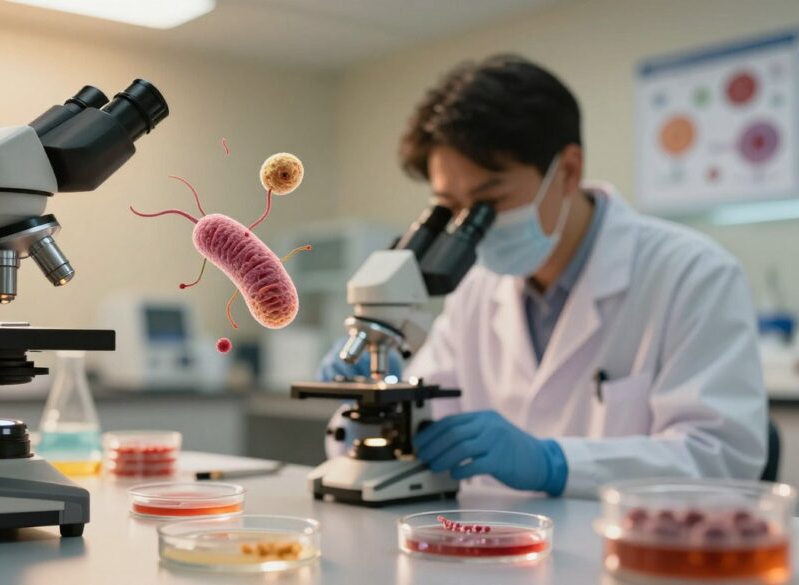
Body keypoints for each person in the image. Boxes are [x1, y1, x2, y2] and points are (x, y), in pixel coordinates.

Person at [318, 55, 767, 498]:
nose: (470, 224)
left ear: (568, 170)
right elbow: (427, 430)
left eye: (489, 201)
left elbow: (720, 457)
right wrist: (373, 409)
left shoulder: (693, 274)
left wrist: (555, 462)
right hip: (494, 539)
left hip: (628, 539)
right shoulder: (475, 290)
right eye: (450, 207)